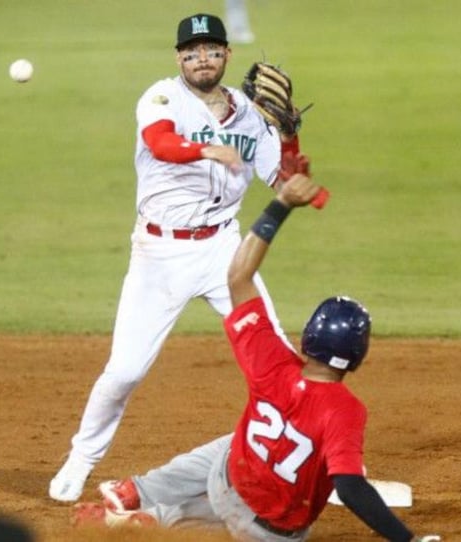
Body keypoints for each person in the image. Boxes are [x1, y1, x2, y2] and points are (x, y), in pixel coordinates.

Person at [72, 174, 441, 541]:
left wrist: (281, 203)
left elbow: (238, 274)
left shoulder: (272, 361)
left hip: (226, 478)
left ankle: (142, 500)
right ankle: (158, 515)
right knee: (278, 495)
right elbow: (349, 487)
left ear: (310, 336)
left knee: (238, 443)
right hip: (261, 531)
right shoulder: (345, 410)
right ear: (358, 354)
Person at [48, 12, 303, 503]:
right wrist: (209, 151)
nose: (200, 58)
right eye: (191, 51)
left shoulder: (251, 114)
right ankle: (81, 459)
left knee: (277, 359)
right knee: (124, 371)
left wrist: (289, 134)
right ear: (178, 58)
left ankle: (303, 460)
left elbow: (287, 181)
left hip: (225, 251)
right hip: (159, 253)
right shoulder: (162, 97)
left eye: (210, 50)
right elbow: (159, 142)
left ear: (228, 55)